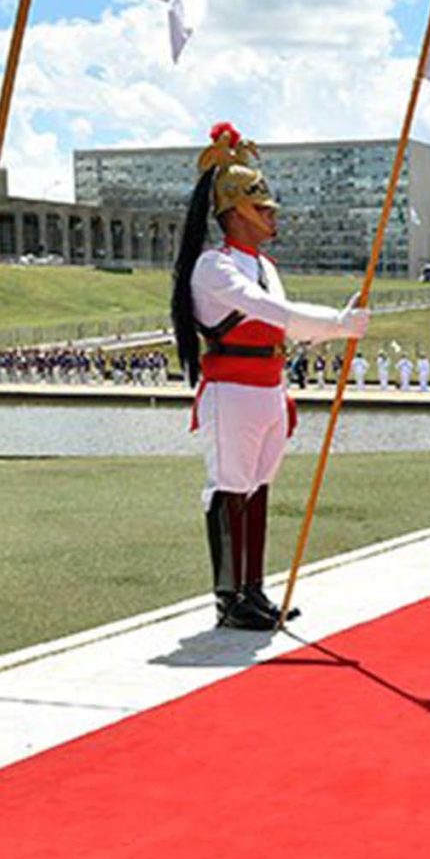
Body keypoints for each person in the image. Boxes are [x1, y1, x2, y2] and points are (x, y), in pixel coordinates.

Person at [172, 124, 369, 631]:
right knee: (230, 486)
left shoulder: (264, 265)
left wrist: (334, 328)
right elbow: (268, 310)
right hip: (233, 389)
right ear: (234, 211)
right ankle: (227, 597)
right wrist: (337, 324)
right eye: (263, 209)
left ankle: (254, 588)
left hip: (267, 385)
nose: (272, 216)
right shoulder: (213, 268)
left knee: (258, 488)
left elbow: (283, 322)